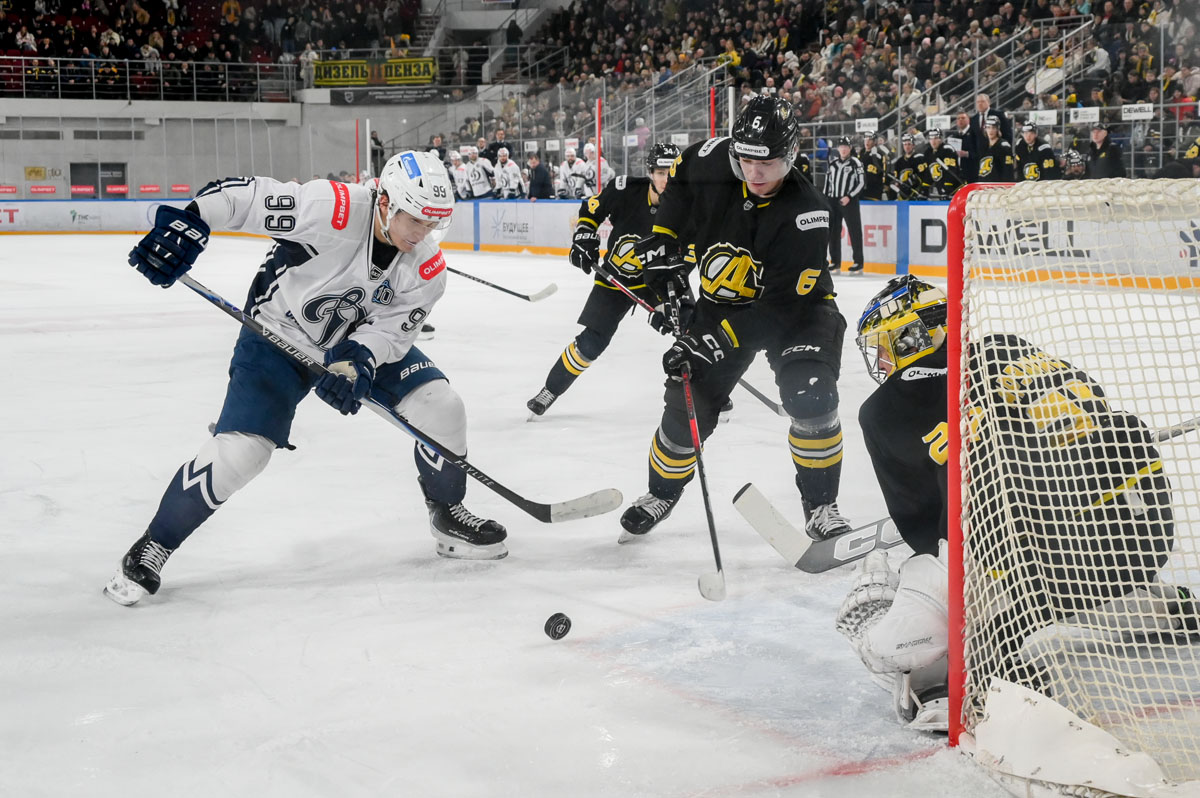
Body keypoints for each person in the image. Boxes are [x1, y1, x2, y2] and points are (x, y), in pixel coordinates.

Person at [105, 152, 509, 607]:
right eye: (415, 220)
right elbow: (245, 197)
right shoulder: (331, 208)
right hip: (276, 335)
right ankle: (154, 544)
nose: (422, 234)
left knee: (442, 406)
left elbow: (392, 331)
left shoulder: (427, 266)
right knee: (243, 453)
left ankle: (447, 512)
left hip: (350, 341)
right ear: (385, 202)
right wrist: (191, 221)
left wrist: (360, 362)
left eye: (432, 223)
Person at [836, 276, 1186, 732]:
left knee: (900, 634)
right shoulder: (1005, 346)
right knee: (1048, 509)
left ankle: (948, 684)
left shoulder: (883, 409)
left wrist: (922, 574)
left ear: (910, 337)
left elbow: (921, 524)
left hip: (1045, 569)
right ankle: (1158, 603)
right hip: (1143, 537)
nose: (882, 360)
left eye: (885, 345)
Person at [620, 96, 853, 542]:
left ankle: (822, 506)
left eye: (767, 163)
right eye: (746, 161)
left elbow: (779, 310)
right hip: (722, 304)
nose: (755, 173)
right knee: (686, 404)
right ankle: (661, 493)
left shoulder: (807, 211)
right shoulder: (711, 159)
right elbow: (679, 184)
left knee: (811, 393)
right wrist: (664, 243)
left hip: (798, 310)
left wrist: (711, 340)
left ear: (792, 154)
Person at [525, 143, 683, 418]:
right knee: (592, 342)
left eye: (672, 173)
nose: (666, 180)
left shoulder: (686, 206)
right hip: (615, 278)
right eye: (660, 172)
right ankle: (550, 389)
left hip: (656, 281)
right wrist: (584, 236)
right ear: (650, 172)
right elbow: (591, 209)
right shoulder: (625, 190)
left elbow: (686, 257)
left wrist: (669, 300)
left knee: (690, 330)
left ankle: (712, 393)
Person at [824, 135, 865, 275]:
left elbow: (861, 182)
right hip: (833, 201)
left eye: (846, 147)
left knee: (854, 231)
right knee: (833, 232)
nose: (843, 149)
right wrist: (825, 200)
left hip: (849, 201)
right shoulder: (833, 164)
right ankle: (835, 262)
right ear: (838, 148)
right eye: (841, 147)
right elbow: (827, 183)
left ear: (850, 148)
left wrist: (849, 196)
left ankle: (858, 262)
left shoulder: (855, 163)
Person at [916, 128, 963, 200]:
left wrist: (947, 186)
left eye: (936, 138)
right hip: (941, 189)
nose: (933, 141)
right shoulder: (928, 152)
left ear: (941, 139)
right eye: (931, 138)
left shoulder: (947, 149)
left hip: (956, 188)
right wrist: (925, 187)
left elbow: (951, 170)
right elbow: (928, 173)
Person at [976, 115, 1015, 181]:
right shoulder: (983, 146)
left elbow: (1008, 172)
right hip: (983, 184)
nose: (991, 130)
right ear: (985, 129)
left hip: (997, 185)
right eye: (988, 127)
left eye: (993, 128)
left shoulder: (1004, 146)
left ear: (997, 129)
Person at [891, 134, 924, 201]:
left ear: (913, 145)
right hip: (903, 195)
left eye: (909, 144)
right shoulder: (899, 161)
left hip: (916, 194)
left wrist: (911, 181)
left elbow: (922, 176)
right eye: (905, 144)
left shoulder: (919, 158)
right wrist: (896, 183)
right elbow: (896, 179)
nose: (907, 146)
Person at [858, 132, 887, 201]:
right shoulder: (861, 153)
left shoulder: (879, 154)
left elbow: (884, 172)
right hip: (861, 192)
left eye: (870, 140)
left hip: (874, 191)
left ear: (874, 141)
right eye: (866, 139)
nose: (867, 142)